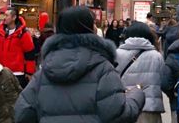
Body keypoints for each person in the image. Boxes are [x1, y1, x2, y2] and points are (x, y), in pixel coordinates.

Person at [15, 6, 145, 123]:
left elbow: (23, 113)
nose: (96, 27)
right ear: (86, 27)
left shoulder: (44, 72)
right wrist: (136, 95)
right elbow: (118, 115)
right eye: (93, 23)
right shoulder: (103, 68)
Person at [116, 21, 165, 123]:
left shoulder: (117, 54)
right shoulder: (156, 56)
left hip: (124, 107)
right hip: (150, 108)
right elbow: (163, 81)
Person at [0, 8, 36, 89]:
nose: (4, 17)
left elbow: (30, 54)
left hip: (17, 74)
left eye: (7, 15)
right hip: (1, 71)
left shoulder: (23, 33)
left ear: (14, 17)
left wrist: (29, 72)